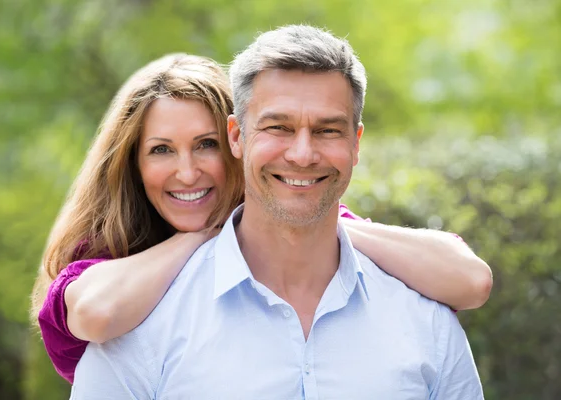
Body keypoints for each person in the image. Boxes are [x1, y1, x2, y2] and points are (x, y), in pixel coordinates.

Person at [68, 25, 485, 399]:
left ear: (356, 144)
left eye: (327, 130)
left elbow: (472, 279)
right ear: (237, 136)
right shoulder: (144, 323)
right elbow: (93, 311)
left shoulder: (424, 321)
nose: (303, 154)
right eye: (279, 128)